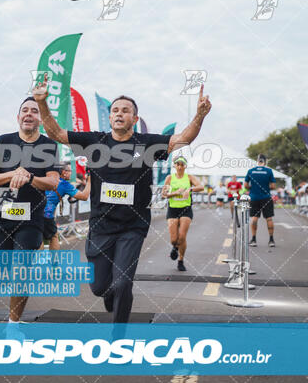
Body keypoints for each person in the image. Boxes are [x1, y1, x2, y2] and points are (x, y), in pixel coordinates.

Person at [32, 76, 211, 323]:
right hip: (100, 226)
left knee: (123, 283)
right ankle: (109, 295)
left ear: (134, 119)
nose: (119, 114)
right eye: (115, 110)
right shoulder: (94, 141)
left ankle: (119, 340)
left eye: (125, 111)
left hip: (132, 227)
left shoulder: (147, 144)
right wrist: (42, 103)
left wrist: (200, 115)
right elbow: (57, 133)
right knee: (99, 287)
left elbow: (183, 139)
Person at [0, 97, 60, 323]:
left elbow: (53, 182)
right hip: (2, 213)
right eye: (24, 111)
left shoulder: (48, 145)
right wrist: (13, 174)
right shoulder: (4, 141)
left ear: (40, 118)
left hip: (31, 216)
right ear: (18, 117)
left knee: (22, 270)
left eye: (34, 111)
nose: (29, 114)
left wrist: (29, 177)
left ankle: (13, 323)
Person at [162, 156, 203, 271]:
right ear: (174, 165)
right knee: (174, 239)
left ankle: (181, 260)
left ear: (185, 166)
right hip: (173, 209)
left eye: (182, 165)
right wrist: (175, 193)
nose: (180, 167)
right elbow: (163, 194)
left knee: (182, 237)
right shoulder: (169, 178)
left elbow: (201, 187)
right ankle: (174, 247)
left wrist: (189, 190)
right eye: (178, 164)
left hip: (186, 209)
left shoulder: (189, 177)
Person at [42, 163, 91, 250]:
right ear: (64, 172)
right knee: (54, 237)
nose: (71, 173)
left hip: (36, 212)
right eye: (70, 171)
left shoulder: (47, 179)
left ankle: (37, 262)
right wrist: (89, 181)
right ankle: (55, 263)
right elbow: (84, 196)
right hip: (47, 214)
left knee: (39, 237)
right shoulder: (64, 184)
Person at [244, 154, 276, 247]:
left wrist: (253, 187)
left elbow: (245, 185)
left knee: (254, 218)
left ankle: (253, 239)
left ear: (257, 161)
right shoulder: (269, 171)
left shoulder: (251, 171)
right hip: (266, 197)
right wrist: (266, 187)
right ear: (265, 161)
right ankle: (271, 240)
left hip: (254, 198)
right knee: (269, 218)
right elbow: (273, 186)